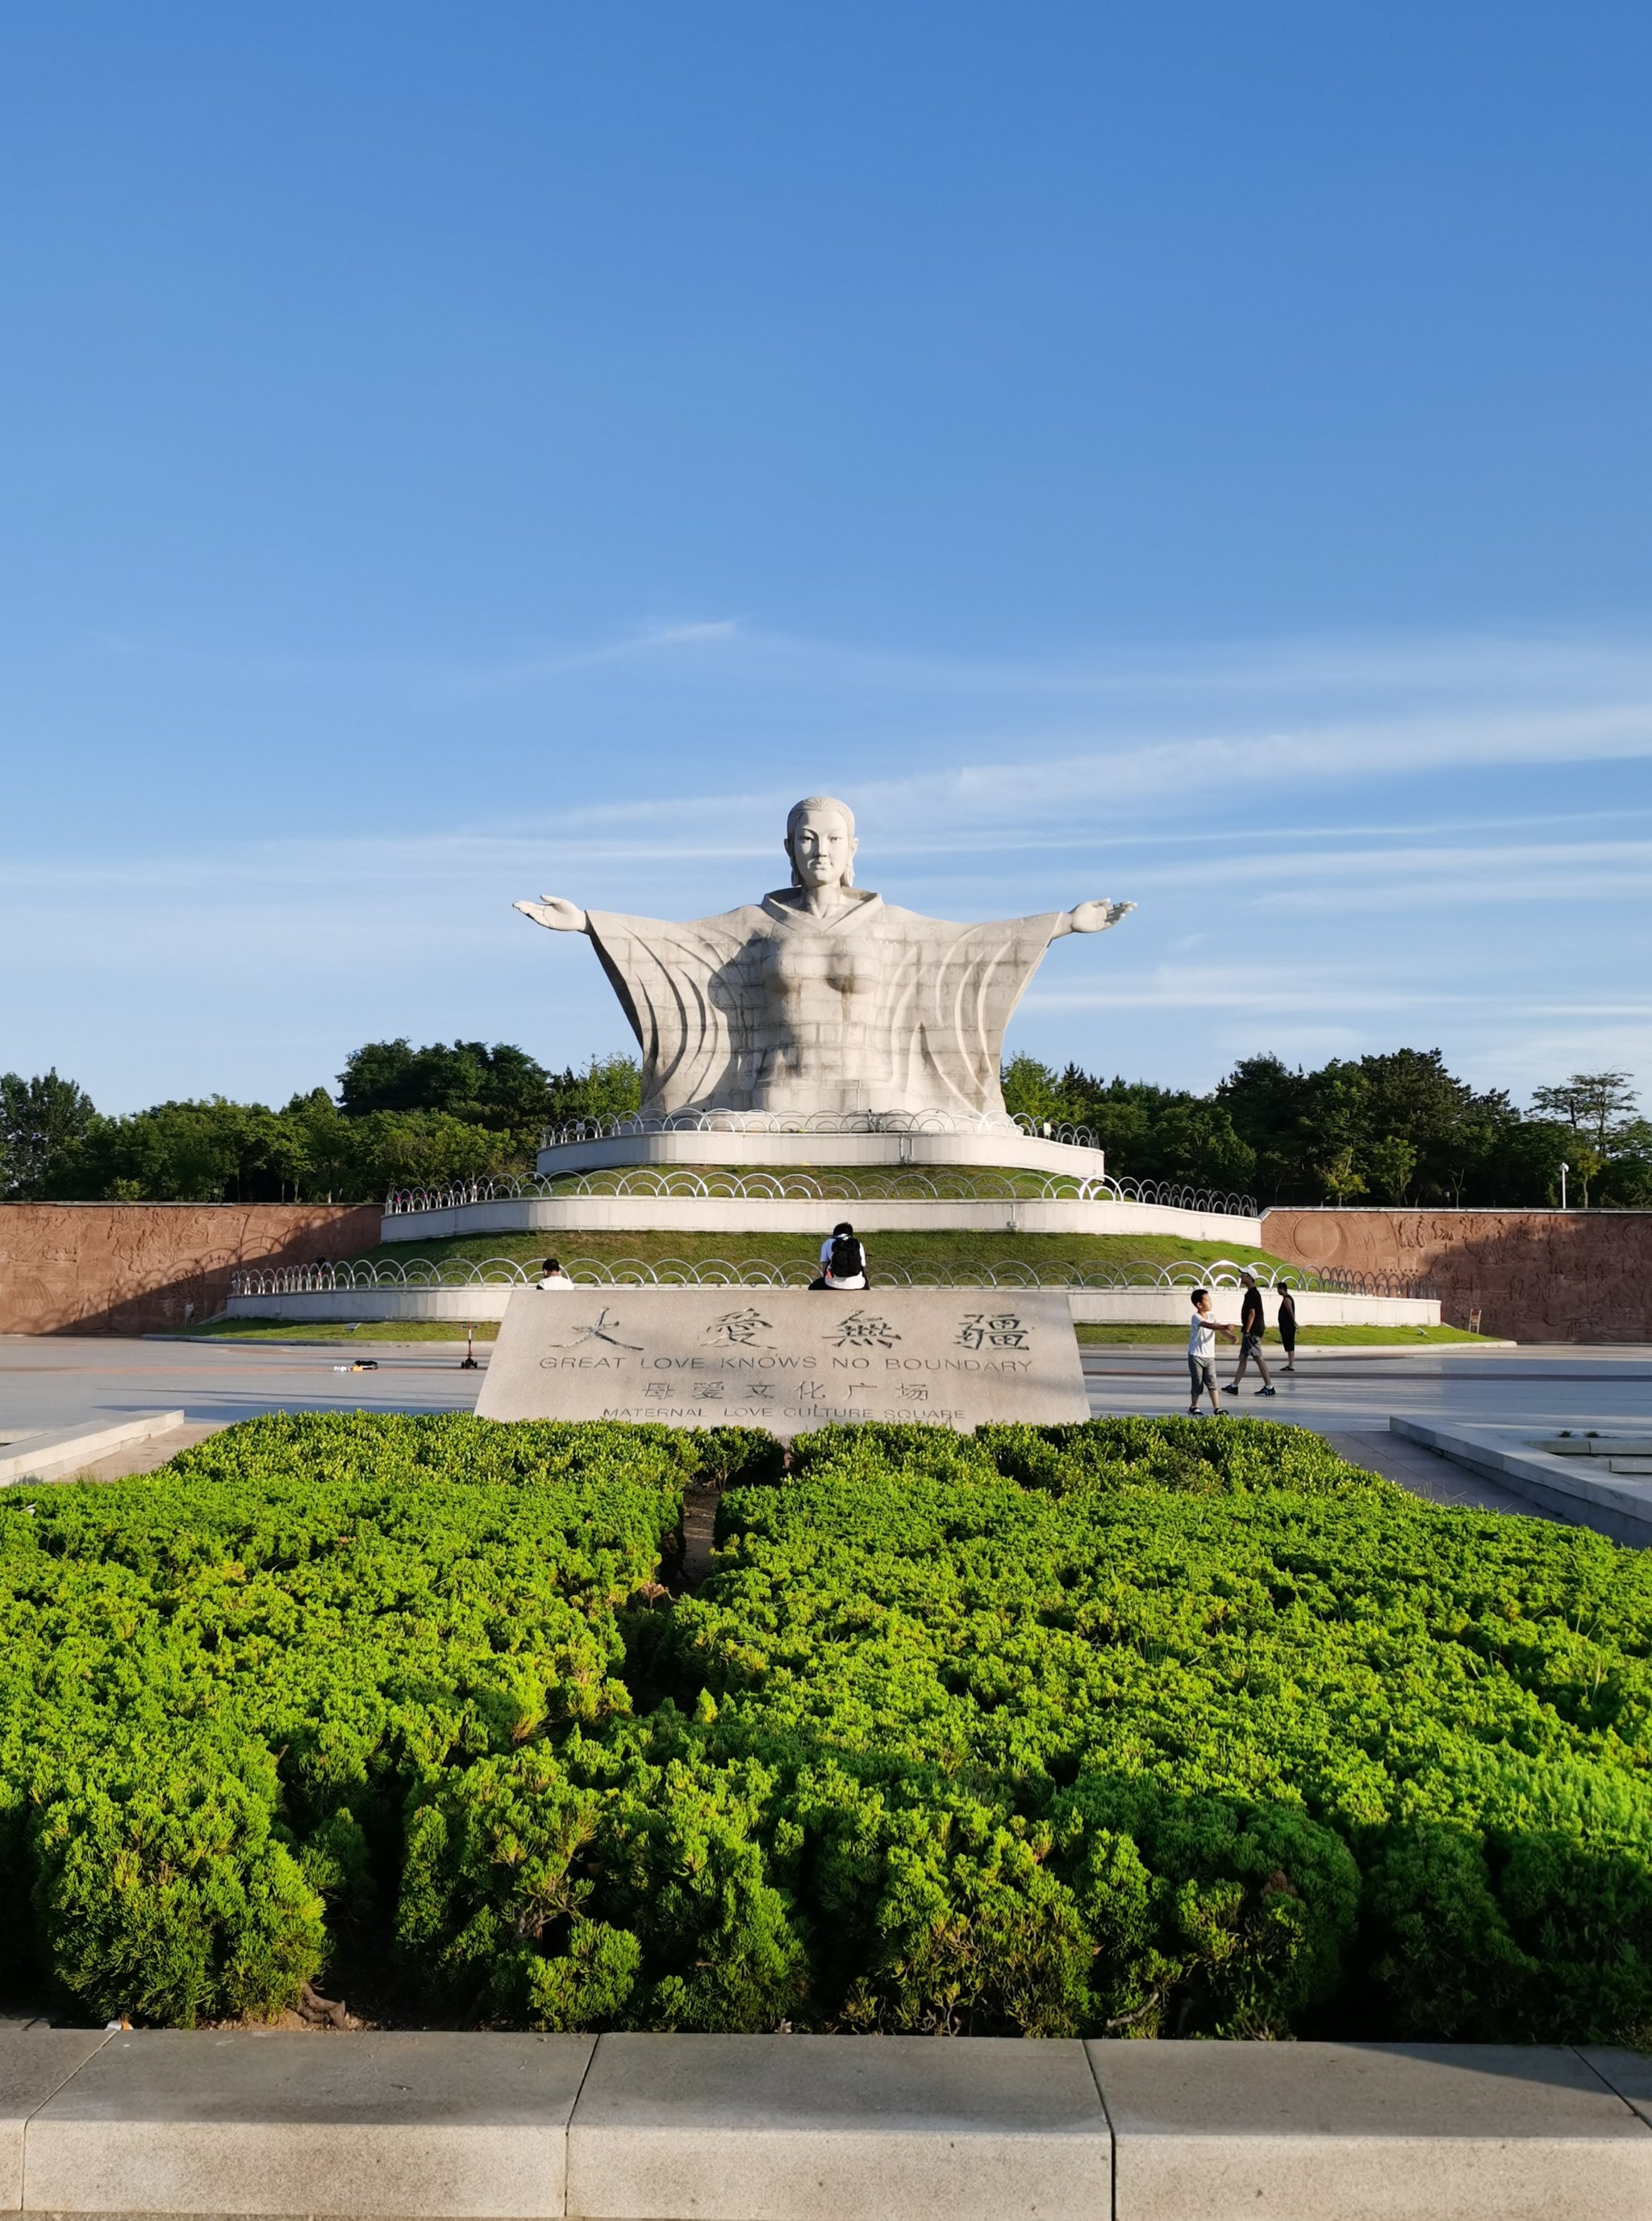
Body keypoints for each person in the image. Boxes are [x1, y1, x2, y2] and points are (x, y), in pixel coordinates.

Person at [1224, 1271, 1277, 1396]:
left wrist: (1247, 1331)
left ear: (1249, 1277)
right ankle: (1234, 1386)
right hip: (1251, 1330)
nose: (1240, 1277)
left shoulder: (1252, 1294)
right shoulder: (1251, 1293)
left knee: (1258, 1357)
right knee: (1243, 1357)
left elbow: (1252, 1314)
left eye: (1243, 1275)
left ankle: (1269, 1386)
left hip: (1252, 1331)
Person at [1187, 1288, 1237, 1415]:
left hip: (1209, 1356)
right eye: (1207, 1300)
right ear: (1199, 1304)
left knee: (1212, 1382)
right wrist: (1225, 1326)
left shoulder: (1212, 1316)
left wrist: (1230, 1336)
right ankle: (1194, 1406)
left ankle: (1217, 1407)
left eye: (1210, 1300)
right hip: (1196, 1355)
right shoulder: (1196, 1317)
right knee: (1197, 1382)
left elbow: (1219, 1329)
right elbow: (1209, 1326)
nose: (1210, 1302)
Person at [811, 1221, 869, 1291]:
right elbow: (863, 1265)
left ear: (835, 1233)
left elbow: (824, 1266)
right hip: (858, 1285)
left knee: (813, 1286)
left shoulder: (828, 1242)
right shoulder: (858, 1244)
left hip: (833, 1284)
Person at [1276, 1284, 1298, 1371]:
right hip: (1286, 1325)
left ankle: (1291, 1365)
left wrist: (1293, 1322)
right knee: (1289, 1345)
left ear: (1282, 1289)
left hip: (1287, 1326)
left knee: (1289, 1344)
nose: (1277, 1291)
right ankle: (1290, 1364)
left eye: (1278, 1289)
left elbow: (1290, 1310)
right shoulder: (1287, 1298)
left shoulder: (1287, 1299)